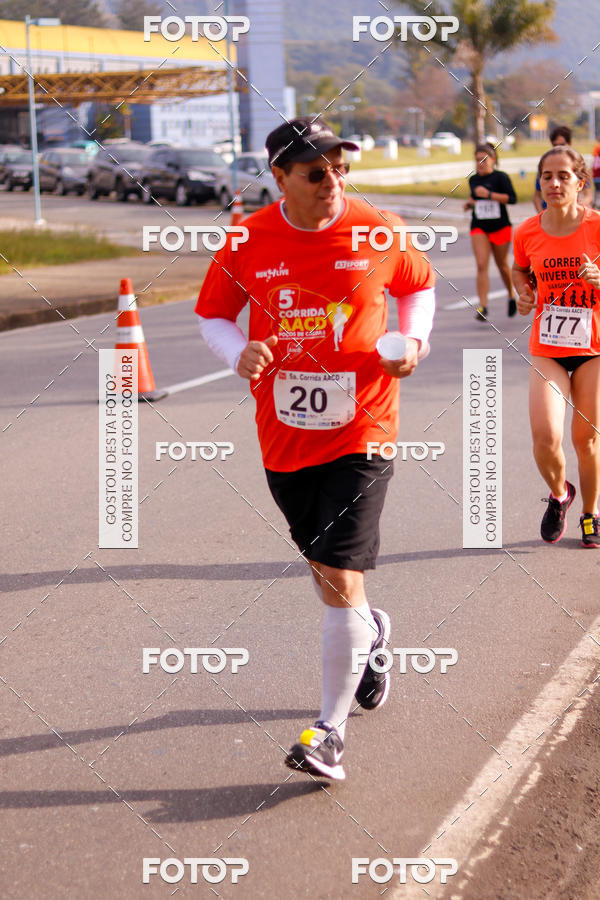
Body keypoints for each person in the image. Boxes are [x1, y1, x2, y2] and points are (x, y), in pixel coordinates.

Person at [195, 117, 435, 780]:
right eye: (315, 171)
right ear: (280, 178)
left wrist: (414, 344)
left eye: (339, 167)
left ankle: (328, 731)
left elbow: (420, 287)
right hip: (285, 435)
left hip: (366, 426)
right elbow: (212, 311)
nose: (333, 181)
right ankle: (372, 634)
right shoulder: (247, 239)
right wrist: (235, 352)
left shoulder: (377, 228)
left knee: (337, 572)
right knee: (329, 576)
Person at [513, 145, 600, 547]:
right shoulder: (528, 231)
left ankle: (590, 514)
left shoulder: (596, 226)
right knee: (546, 436)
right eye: (547, 176)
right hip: (548, 345)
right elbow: (519, 269)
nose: (554, 183)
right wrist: (524, 291)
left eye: (564, 176)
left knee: (586, 439)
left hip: (593, 348)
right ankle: (562, 494)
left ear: (581, 183)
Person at [463, 143, 518, 321]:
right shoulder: (473, 180)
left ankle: (511, 295)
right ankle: (483, 306)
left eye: (484, 159)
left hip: (500, 226)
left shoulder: (501, 178)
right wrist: (470, 203)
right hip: (479, 226)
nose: (480, 163)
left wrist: (489, 195)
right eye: (477, 160)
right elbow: (475, 197)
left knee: (502, 264)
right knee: (481, 264)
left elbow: (512, 199)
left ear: (493, 160)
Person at [533, 125, 593, 212]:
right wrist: (541, 215)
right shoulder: (545, 166)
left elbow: (588, 195)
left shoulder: (577, 165)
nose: (558, 148)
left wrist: (579, 207)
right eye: (555, 145)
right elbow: (536, 196)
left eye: (563, 177)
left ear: (569, 143)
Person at [592, 139, 600, 209]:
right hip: (597, 176)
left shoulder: (596, 148)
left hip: (596, 176)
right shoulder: (597, 148)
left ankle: (596, 205)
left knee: (597, 191)